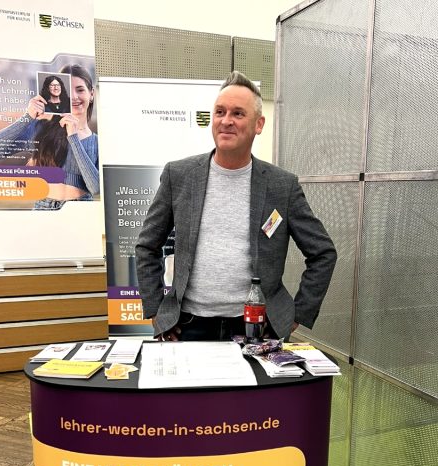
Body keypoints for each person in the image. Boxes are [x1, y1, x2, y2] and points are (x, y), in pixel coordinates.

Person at [135, 71, 336, 342]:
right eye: (220, 112)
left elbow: (323, 253)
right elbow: (147, 245)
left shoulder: (281, 186)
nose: (226, 121)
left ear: (259, 124)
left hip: (258, 330)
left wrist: (297, 313)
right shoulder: (179, 175)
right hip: (188, 327)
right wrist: (156, 309)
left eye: (238, 114)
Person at [0, 64, 99, 209]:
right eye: (68, 90)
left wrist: (73, 137)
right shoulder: (41, 129)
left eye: (80, 90)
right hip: (44, 208)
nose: (74, 96)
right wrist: (28, 116)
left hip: (81, 211)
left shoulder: (97, 141)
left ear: (91, 94)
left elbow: (95, 188)